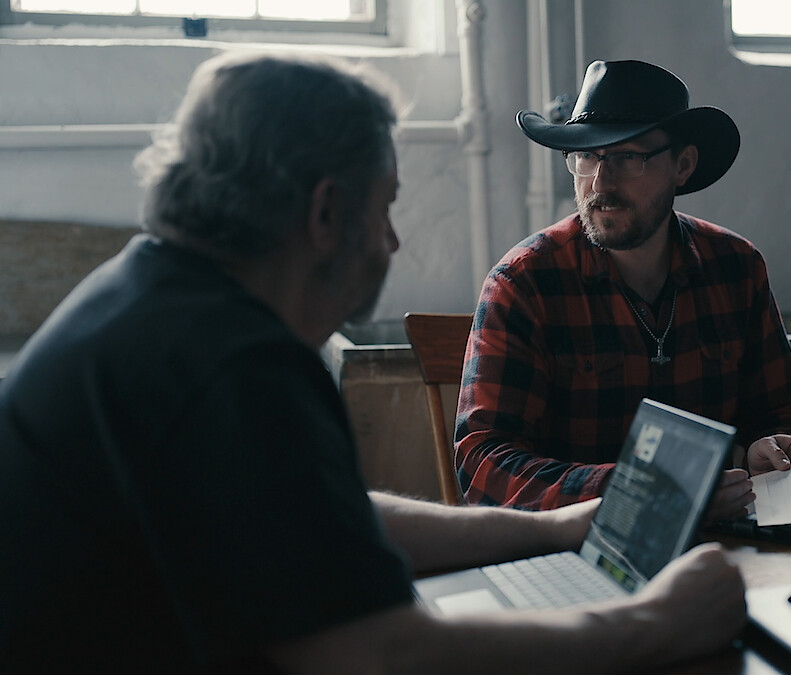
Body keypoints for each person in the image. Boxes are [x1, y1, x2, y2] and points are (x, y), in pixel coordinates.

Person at [0, 52, 745, 674]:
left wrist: (554, 530)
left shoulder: (160, 299)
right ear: (326, 214)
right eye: (384, 208)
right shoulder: (232, 363)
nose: (391, 244)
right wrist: (656, 623)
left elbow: (324, 523)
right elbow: (378, 653)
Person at [455, 60, 791, 518]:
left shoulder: (736, 268)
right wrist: (640, 492)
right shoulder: (525, 283)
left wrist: (766, 448)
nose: (600, 182)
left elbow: (783, 416)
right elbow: (482, 466)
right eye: (587, 157)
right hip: (573, 554)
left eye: (628, 157)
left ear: (683, 165)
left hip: (724, 545)